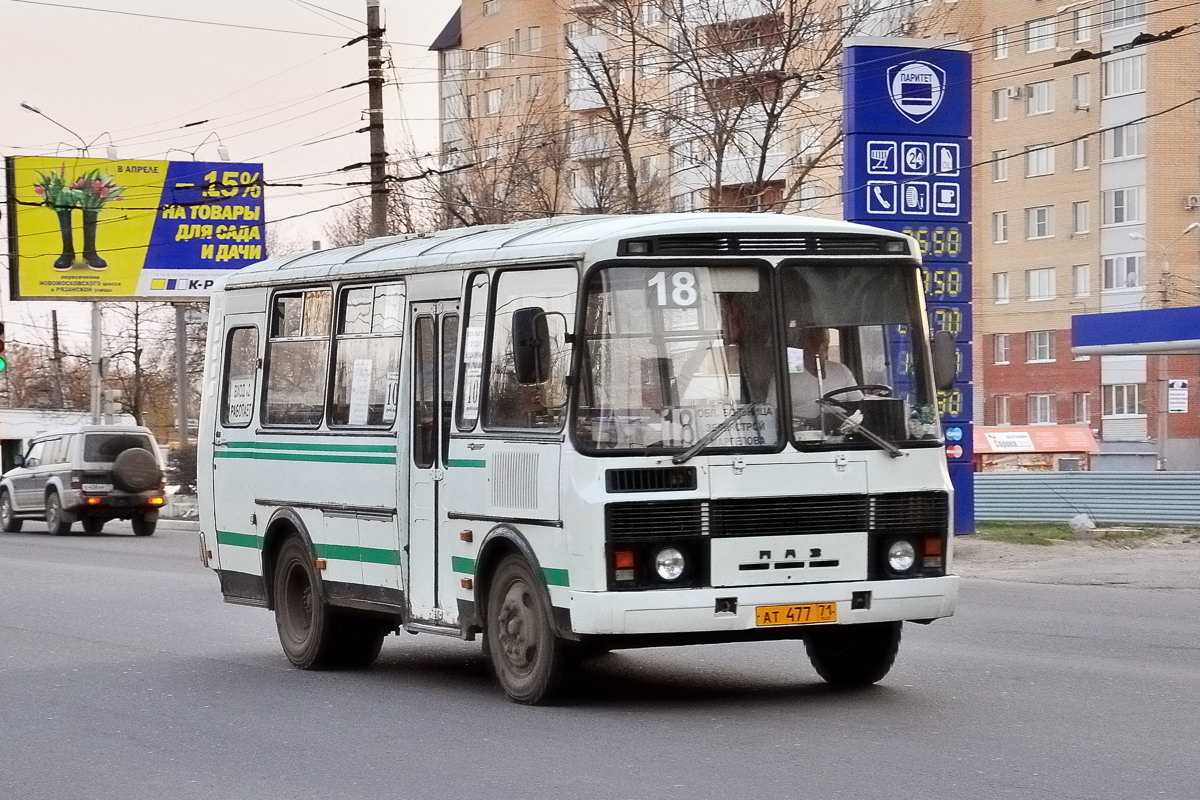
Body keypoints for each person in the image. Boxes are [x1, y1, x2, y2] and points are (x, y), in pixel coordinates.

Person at [789, 326, 861, 429]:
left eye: (823, 343)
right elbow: (774, 412)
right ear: (802, 346)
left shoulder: (841, 370)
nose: (818, 348)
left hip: (842, 434)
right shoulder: (788, 376)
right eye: (813, 343)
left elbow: (858, 406)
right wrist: (808, 423)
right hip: (802, 438)